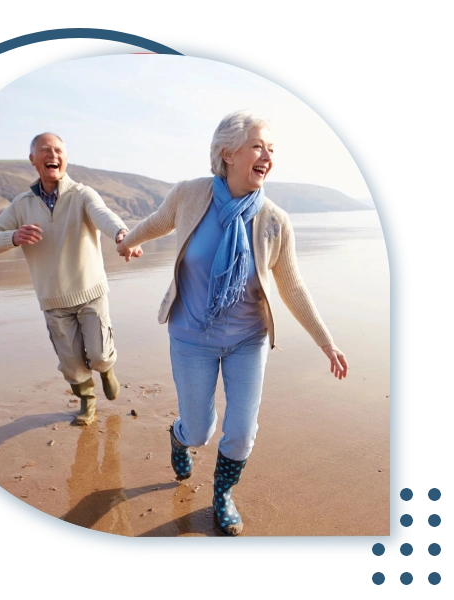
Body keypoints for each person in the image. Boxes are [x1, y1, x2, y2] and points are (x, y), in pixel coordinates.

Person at [116, 110, 348, 537]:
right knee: (200, 430)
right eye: (258, 146)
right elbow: (156, 224)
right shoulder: (189, 195)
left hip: (247, 339)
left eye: (271, 149)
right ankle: (178, 436)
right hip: (191, 336)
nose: (267, 156)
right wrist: (127, 242)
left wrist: (327, 343)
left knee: (241, 433)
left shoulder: (274, 220)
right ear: (228, 152)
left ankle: (222, 495)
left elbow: (293, 288)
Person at [0, 132, 142, 426]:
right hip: (52, 299)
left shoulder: (82, 194)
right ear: (33, 160)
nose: (53, 155)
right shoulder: (22, 204)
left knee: (99, 354)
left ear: (65, 157)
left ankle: (106, 370)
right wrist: (12, 236)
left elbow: (103, 215)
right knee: (72, 364)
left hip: (90, 291)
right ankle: (87, 403)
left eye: (58, 150)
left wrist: (122, 234)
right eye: (45, 150)